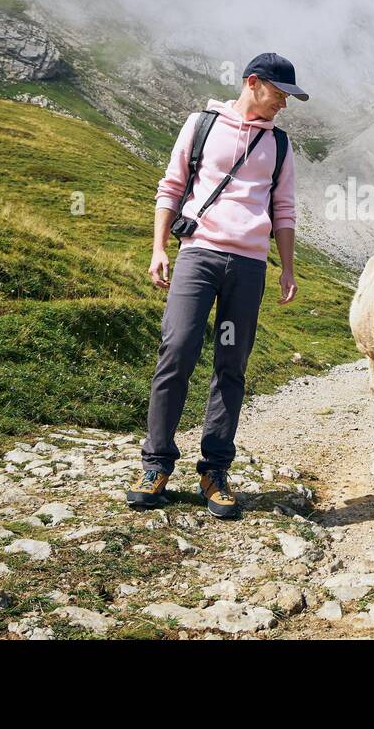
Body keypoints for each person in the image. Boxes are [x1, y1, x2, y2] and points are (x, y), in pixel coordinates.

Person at [127, 53, 305, 517]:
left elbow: (283, 210)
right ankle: (156, 465)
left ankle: (214, 471)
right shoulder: (202, 125)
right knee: (177, 351)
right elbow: (171, 186)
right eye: (280, 94)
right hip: (199, 255)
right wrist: (159, 248)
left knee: (232, 366)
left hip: (248, 265)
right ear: (253, 83)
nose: (285, 104)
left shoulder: (280, 146)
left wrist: (285, 267)